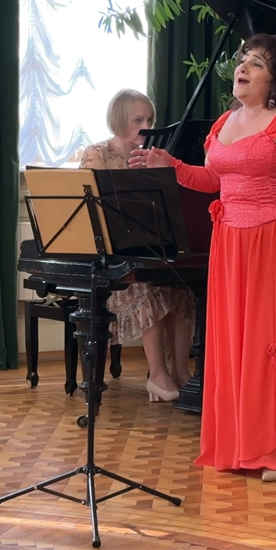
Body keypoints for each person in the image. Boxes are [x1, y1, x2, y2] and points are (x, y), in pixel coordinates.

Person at [128, 34, 276, 481]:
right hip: (231, 239)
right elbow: (214, 180)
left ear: (275, 80)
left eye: (257, 63)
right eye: (243, 60)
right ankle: (239, 446)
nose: (243, 68)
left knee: (272, 341)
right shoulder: (225, 121)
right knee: (234, 342)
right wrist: (172, 166)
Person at [78, 89, 196, 402]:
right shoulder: (96, 154)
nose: (146, 127)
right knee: (146, 286)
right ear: (119, 120)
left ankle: (181, 371)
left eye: (149, 120)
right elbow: (93, 214)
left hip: (147, 249)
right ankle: (157, 374)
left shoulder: (152, 157)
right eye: (138, 120)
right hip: (110, 256)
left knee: (180, 287)